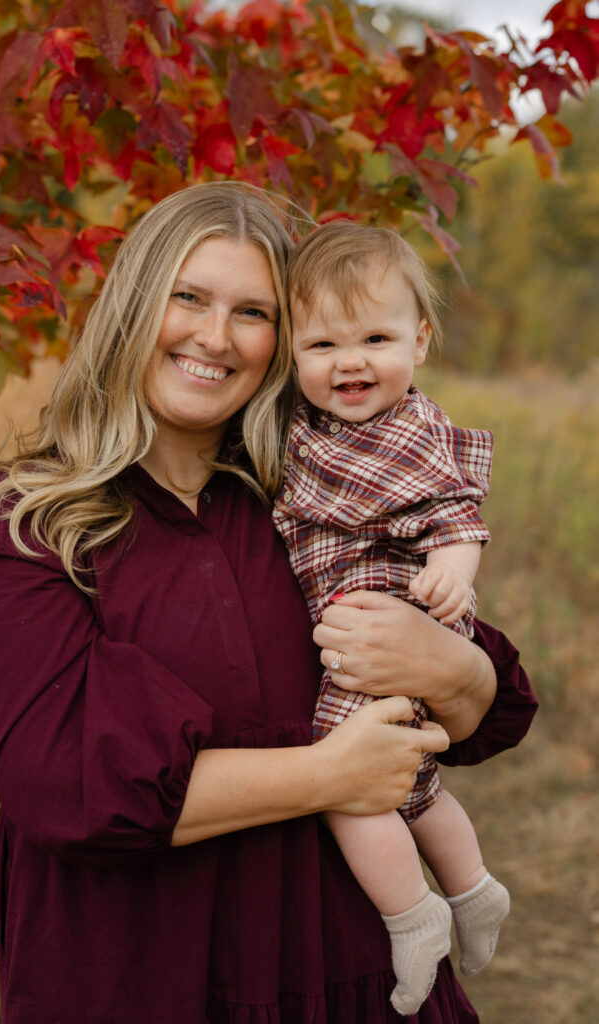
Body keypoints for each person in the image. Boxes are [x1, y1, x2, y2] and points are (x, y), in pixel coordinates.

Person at [0, 182, 537, 1024]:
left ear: (283, 341)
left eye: (252, 313)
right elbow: (66, 787)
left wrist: (454, 667)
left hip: (358, 976)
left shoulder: (313, 495)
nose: (214, 337)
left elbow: (490, 711)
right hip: (146, 980)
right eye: (187, 297)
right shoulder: (28, 521)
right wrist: (328, 773)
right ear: (133, 305)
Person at [272, 222, 511, 1015]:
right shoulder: (309, 431)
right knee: (416, 787)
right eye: (322, 344)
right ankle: (474, 890)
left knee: (348, 784)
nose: (350, 362)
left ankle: (412, 916)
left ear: (420, 338)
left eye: (375, 338)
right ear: (292, 354)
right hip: (352, 624)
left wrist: (450, 574)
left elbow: (457, 514)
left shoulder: (407, 431)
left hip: (389, 618)